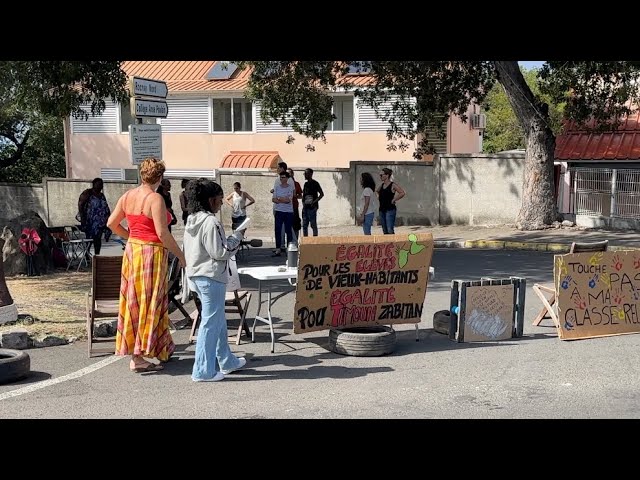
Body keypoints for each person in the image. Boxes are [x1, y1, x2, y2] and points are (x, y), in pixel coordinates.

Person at [106, 157, 186, 373]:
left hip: (133, 250)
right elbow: (162, 233)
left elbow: (111, 223)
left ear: (141, 175)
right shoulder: (155, 199)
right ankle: (139, 356)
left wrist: (130, 236)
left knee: (134, 300)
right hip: (151, 253)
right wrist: (180, 255)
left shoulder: (127, 196)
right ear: (160, 177)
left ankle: (159, 348)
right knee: (150, 302)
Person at [183, 178, 247, 382]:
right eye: (219, 199)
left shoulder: (192, 219)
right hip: (211, 276)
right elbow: (220, 252)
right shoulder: (211, 222)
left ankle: (226, 360)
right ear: (211, 200)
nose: (221, 203)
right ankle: (202, 370)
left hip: (196, 275)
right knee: (210, 323)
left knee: (217, 320)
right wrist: (237, 237)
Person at [77, 178, 111, 255]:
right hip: (90, 222)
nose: (101, 186)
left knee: (98, 240)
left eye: (101, 184)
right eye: (99, 184)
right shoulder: (88, 193)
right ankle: (87, 255)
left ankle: (97, 256)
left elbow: (105, 207)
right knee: (89, 240)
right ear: (94, 184)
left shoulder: (102, 195)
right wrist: (83, 219)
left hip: (100, 223)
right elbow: (80, 205)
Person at [271, 161, 294, 253]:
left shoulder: (290, 184)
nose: (281, 179)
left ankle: (290, 247)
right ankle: (279, 247)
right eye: (281, 178)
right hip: (279, 209)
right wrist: (281, 199)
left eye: (283, 177)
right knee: (278, 229)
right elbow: (274, 199)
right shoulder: (277, 185)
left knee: (288, 229)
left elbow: (289, 199)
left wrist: (280, 198)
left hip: (288, 211)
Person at [376, 167, 406, 234]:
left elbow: (402, 193)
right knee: (384, 230)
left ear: (387, 175)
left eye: (381, 175)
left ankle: (393, 244)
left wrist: (394, 199)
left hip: (390, 210)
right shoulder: (382, 185)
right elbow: (377, 191)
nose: (380, 176)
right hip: (381, 210)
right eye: (380, 175)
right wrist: (378, 197)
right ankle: (387, 244)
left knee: (390, 229)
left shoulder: (393, 185)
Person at [301, 168, 324, 237]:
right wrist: (303, 202)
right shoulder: (305, 184)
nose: (305, 175)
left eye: (306, 173)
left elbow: (321, 194)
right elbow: (304, 195)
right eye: (304, 174)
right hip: (305, 207)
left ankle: (315, 240)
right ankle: (305, 241)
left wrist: (314, 202)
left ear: (310, 174)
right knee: (304, 225)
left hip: (312, 207)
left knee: (313, 224)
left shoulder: (315, 183)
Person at [287, 168, 303, 240]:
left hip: (294, 206)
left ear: (292, 174)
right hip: (285, 207)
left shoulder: (296, 184)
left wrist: (295, 196)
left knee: (296, 224)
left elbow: (300, 196)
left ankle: (296, 240)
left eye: (289, 173)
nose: (288, 175)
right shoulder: (284, 184)